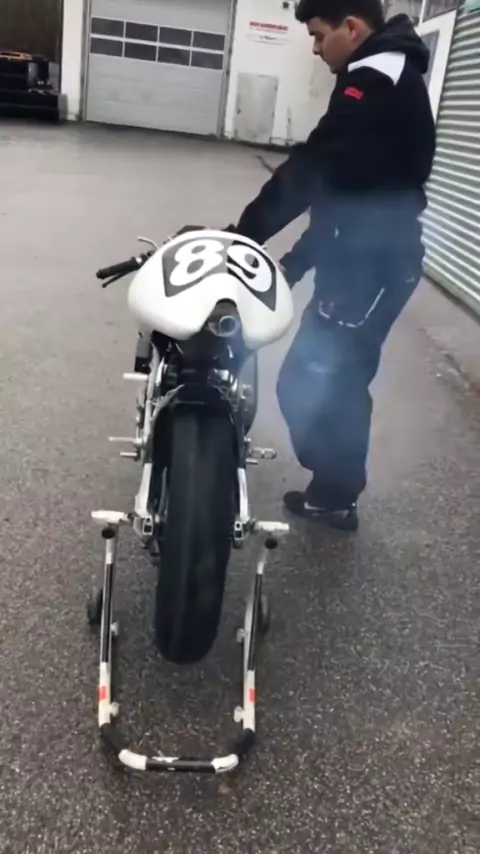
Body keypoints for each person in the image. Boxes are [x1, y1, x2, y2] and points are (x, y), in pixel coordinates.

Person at [229, 0, 436, 531]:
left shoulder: (375, 78)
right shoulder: (379, 71)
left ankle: (337, 494)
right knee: (311, 378)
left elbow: (311, 170)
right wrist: (291, 265)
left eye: (320, 36)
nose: (317, 49)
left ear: (352, 27)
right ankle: (334, 484)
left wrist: (241, 237)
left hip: (375, 267)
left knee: (330, 380)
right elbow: (342, 192)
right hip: (355, 259)